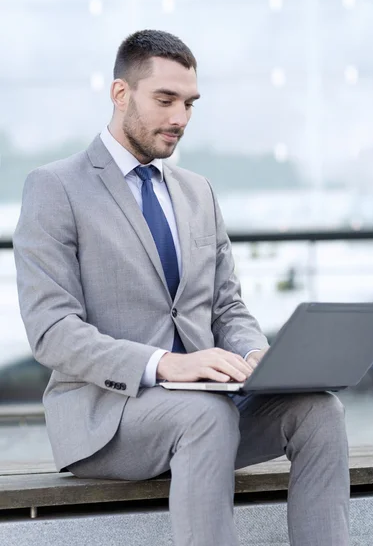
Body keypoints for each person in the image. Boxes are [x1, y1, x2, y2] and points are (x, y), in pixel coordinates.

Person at [13, 29, 350, 546]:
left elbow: (227, 306)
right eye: (165, 100)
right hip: (106, 420)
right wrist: (163, 364)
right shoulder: (55, 187)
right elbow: (52, 331)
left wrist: (256, 354)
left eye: (189, 103)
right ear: (120, 94)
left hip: (208, 405)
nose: (180, 119)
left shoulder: (198, 192)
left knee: (319, 410)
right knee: (205, 414)